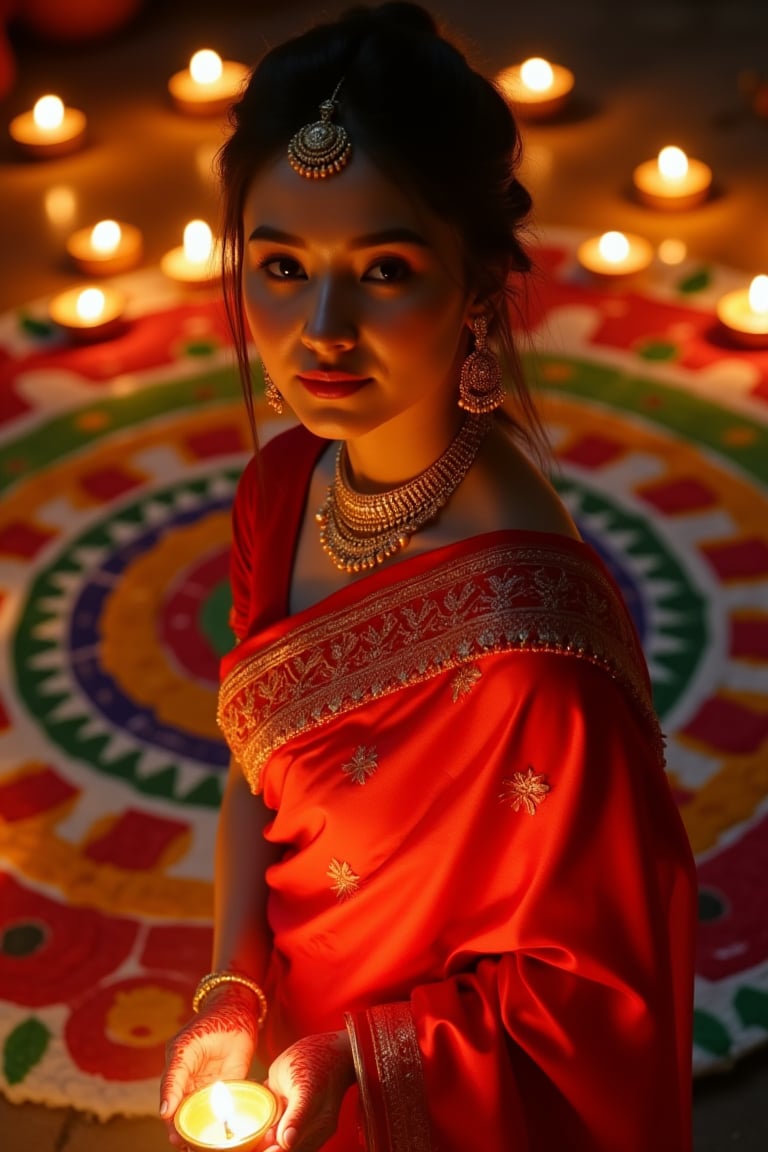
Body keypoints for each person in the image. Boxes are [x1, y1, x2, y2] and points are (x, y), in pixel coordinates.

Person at [159, 4, 697, 1150]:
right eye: (281, 266)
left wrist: (358, 1058)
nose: (319, 331)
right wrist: (232, 994)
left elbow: (595, 1009)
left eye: (385, 269)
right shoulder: (283, 486)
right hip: (290, 1064)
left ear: (478, 287)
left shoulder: (533, 651)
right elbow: (257, 784)